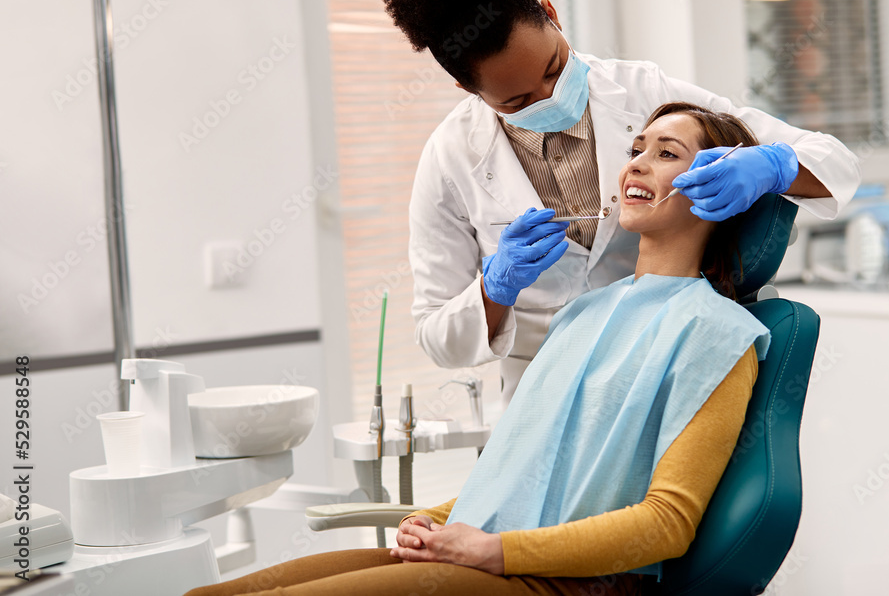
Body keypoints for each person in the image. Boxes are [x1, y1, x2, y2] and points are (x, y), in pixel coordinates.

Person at [184, 102, 774, 596]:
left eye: (666, 154)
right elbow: (521, 474)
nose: (634, 166)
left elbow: (667, 524)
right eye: (635, 149)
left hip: (563, 583)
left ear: (719, 191)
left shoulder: (716, 334)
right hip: (487, 555)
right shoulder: (586, 313)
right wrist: (434, 522)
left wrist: (493, 550)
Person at [386, 0, 859, 403]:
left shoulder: (643, 93)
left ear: (551, 15)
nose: (550, 96)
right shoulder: (450, 158)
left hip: (659, 368)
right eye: (519, 100)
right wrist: (496, 287)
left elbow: (835, 162)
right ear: (467, 89)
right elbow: (435, 333)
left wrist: (771, 165)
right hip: (542, 396)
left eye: (553, 68)